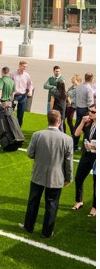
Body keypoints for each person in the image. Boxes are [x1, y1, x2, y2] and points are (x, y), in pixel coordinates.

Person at [19, 110, 73, 238]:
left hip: (38, 174)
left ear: (47, 120)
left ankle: (28, 226)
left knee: (33, 201)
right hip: (56, 177)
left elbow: (29, 153)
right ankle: (47, 232)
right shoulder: (67, 139)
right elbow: (68, 162)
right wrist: (69, 178)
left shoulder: (38, 135)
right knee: (52, 204)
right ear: (59, 121)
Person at [71, 104, 96, 214]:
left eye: (93, 112)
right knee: (79, 178)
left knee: (96, 183)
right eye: (89, 111)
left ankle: (95, 207)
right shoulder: (87, 122)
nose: (90, 113)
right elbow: (76, 134)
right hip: (86, 155)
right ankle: (79, 201)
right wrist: (82, 121)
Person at [73, 73, 95, 150]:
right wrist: (92, 111)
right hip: (85, 109)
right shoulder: (88, 89)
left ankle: (74, 144)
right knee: (87, 128)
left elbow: (74, 98)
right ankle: (84, 146)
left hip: (78, 109)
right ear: (91, 79)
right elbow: (90, 102)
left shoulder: (78, 87)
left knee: (78, 126)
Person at [9, 60, 34, 127]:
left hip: (23, 96)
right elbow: (9, 84)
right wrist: (11, 92)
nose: (24, 68)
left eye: (26, 67)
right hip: (14, 96)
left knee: (20, 114)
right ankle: (9, 126)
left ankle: (18, 128)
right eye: (23, 66)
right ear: (19, 66)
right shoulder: (12, 74)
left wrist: (30, 91)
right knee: (10, 111)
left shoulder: (26, 75)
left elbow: (30, 84)